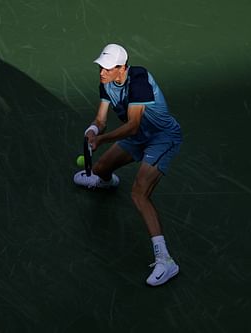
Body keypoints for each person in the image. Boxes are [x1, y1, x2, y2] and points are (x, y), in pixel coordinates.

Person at [74, 44, 182, 286]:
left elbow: (132, 125)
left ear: (122, 68)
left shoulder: (139, 80)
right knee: (100, 170)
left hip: (162, 138)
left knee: (139, 193)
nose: (102, 72)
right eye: (101, 67)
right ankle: (107, 183)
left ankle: (166, 261)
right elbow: (101, 119)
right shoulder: (105, 82)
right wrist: (92, 131)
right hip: (138, 138)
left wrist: (101, 139)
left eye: (108, 68)